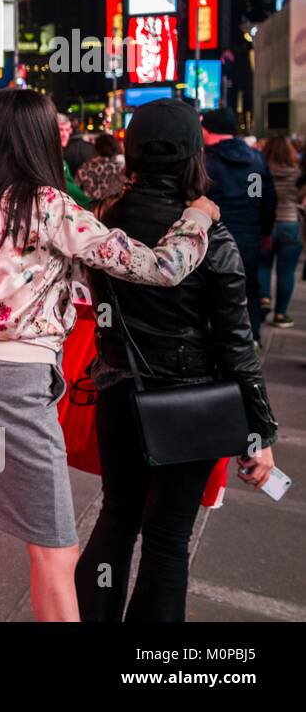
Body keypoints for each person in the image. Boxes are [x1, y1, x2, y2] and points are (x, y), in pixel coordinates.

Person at [0, 89, 218, 622]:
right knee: (55, 544)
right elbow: (158, 267)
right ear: (37, 138)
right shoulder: (48, 204)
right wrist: (198, 218)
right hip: (14, 381)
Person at [76, 99, 278, 622]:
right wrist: (261, 434)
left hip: (119, 391)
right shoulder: (214, 237)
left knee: (116, 516)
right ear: (194, 153)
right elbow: (238, 347)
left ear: (131, 150)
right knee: (167, 540)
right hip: (189, 406)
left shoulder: (103, 222)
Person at [202, 107, 276, 346]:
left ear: (208, 130)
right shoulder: (255, 159)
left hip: (215, 233)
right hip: (248, 232)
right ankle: (251, 337)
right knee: (249, 285)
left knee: (213, 289)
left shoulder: (205, 161)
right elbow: (265, 198)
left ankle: (219, 339)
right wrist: (265, 231)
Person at [259, 135, 302, 328]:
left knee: (263, 266)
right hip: (291, 224)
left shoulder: (260, 172)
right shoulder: (298, 173)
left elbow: (255, 198)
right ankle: (281, 314)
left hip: (266, 225)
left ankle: (264, 299)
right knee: (286, 272)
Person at [76, 133, 127, 205]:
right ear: (115, 146)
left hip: (92, 208)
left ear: (97, 147)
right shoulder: (122, 166)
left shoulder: (87, 166)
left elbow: (76, 187)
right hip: (114, 207)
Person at [56, 112, 92, 208]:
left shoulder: (59, 154)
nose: (65, 134)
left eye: (67, 130)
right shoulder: (54, 156)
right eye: (61, 130)